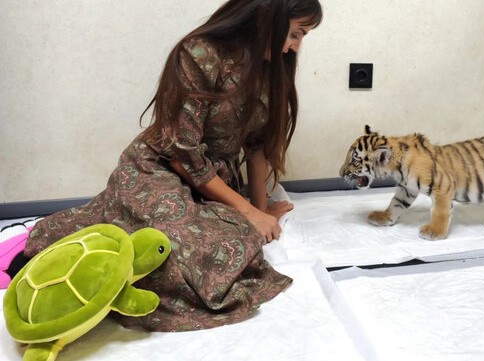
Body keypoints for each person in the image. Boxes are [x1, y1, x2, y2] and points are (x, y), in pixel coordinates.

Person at [23, 0, 323, 332]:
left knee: (228, 249)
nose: (294, 48)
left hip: (212, 184)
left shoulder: (269, 71)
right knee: (167, 250)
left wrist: (260, 211)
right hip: (159, 168)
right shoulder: (199, 54)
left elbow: (256, 147)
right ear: (268, 18)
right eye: (295, 34)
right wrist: (248, 211)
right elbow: (183, 155)